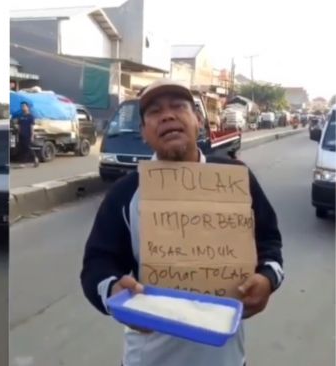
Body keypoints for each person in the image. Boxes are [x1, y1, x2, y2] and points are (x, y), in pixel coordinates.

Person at [80, 79, 284, 366]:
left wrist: (267, 279)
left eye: (178, 106)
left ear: (198, 121)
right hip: (149, 359)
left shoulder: (237, 179)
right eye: (153, 111)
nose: (167, 115)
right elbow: (97, 264)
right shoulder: (125, 194)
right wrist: (114, 290)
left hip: (225, 358)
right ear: (143, 132)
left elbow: (270, 244)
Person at [17, 102, 39, 167]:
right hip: (21, 135)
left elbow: (31, 127)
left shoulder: (30, 116)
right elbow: (19, 126)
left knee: (28, 148)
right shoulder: (20, 116)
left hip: (28, 135)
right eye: (22, 106)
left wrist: (32, 136)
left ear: (27, 107)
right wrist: (18, 135)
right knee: (22, 149)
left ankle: (34, 158)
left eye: (24, 106)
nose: (23, 107)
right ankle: (26, 162)